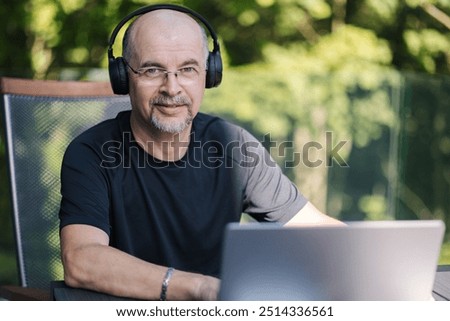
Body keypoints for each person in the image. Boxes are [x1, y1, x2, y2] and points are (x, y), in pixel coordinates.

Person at [59, 5, 342, 301]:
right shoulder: (91, 153)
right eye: (153, 70)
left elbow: (316, 229)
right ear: (123, 77)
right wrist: (198, 287)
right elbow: (81, 260)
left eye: (188, 69)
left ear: (209, 74)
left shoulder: (234, 146)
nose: (171, 87)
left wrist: (377, 259)